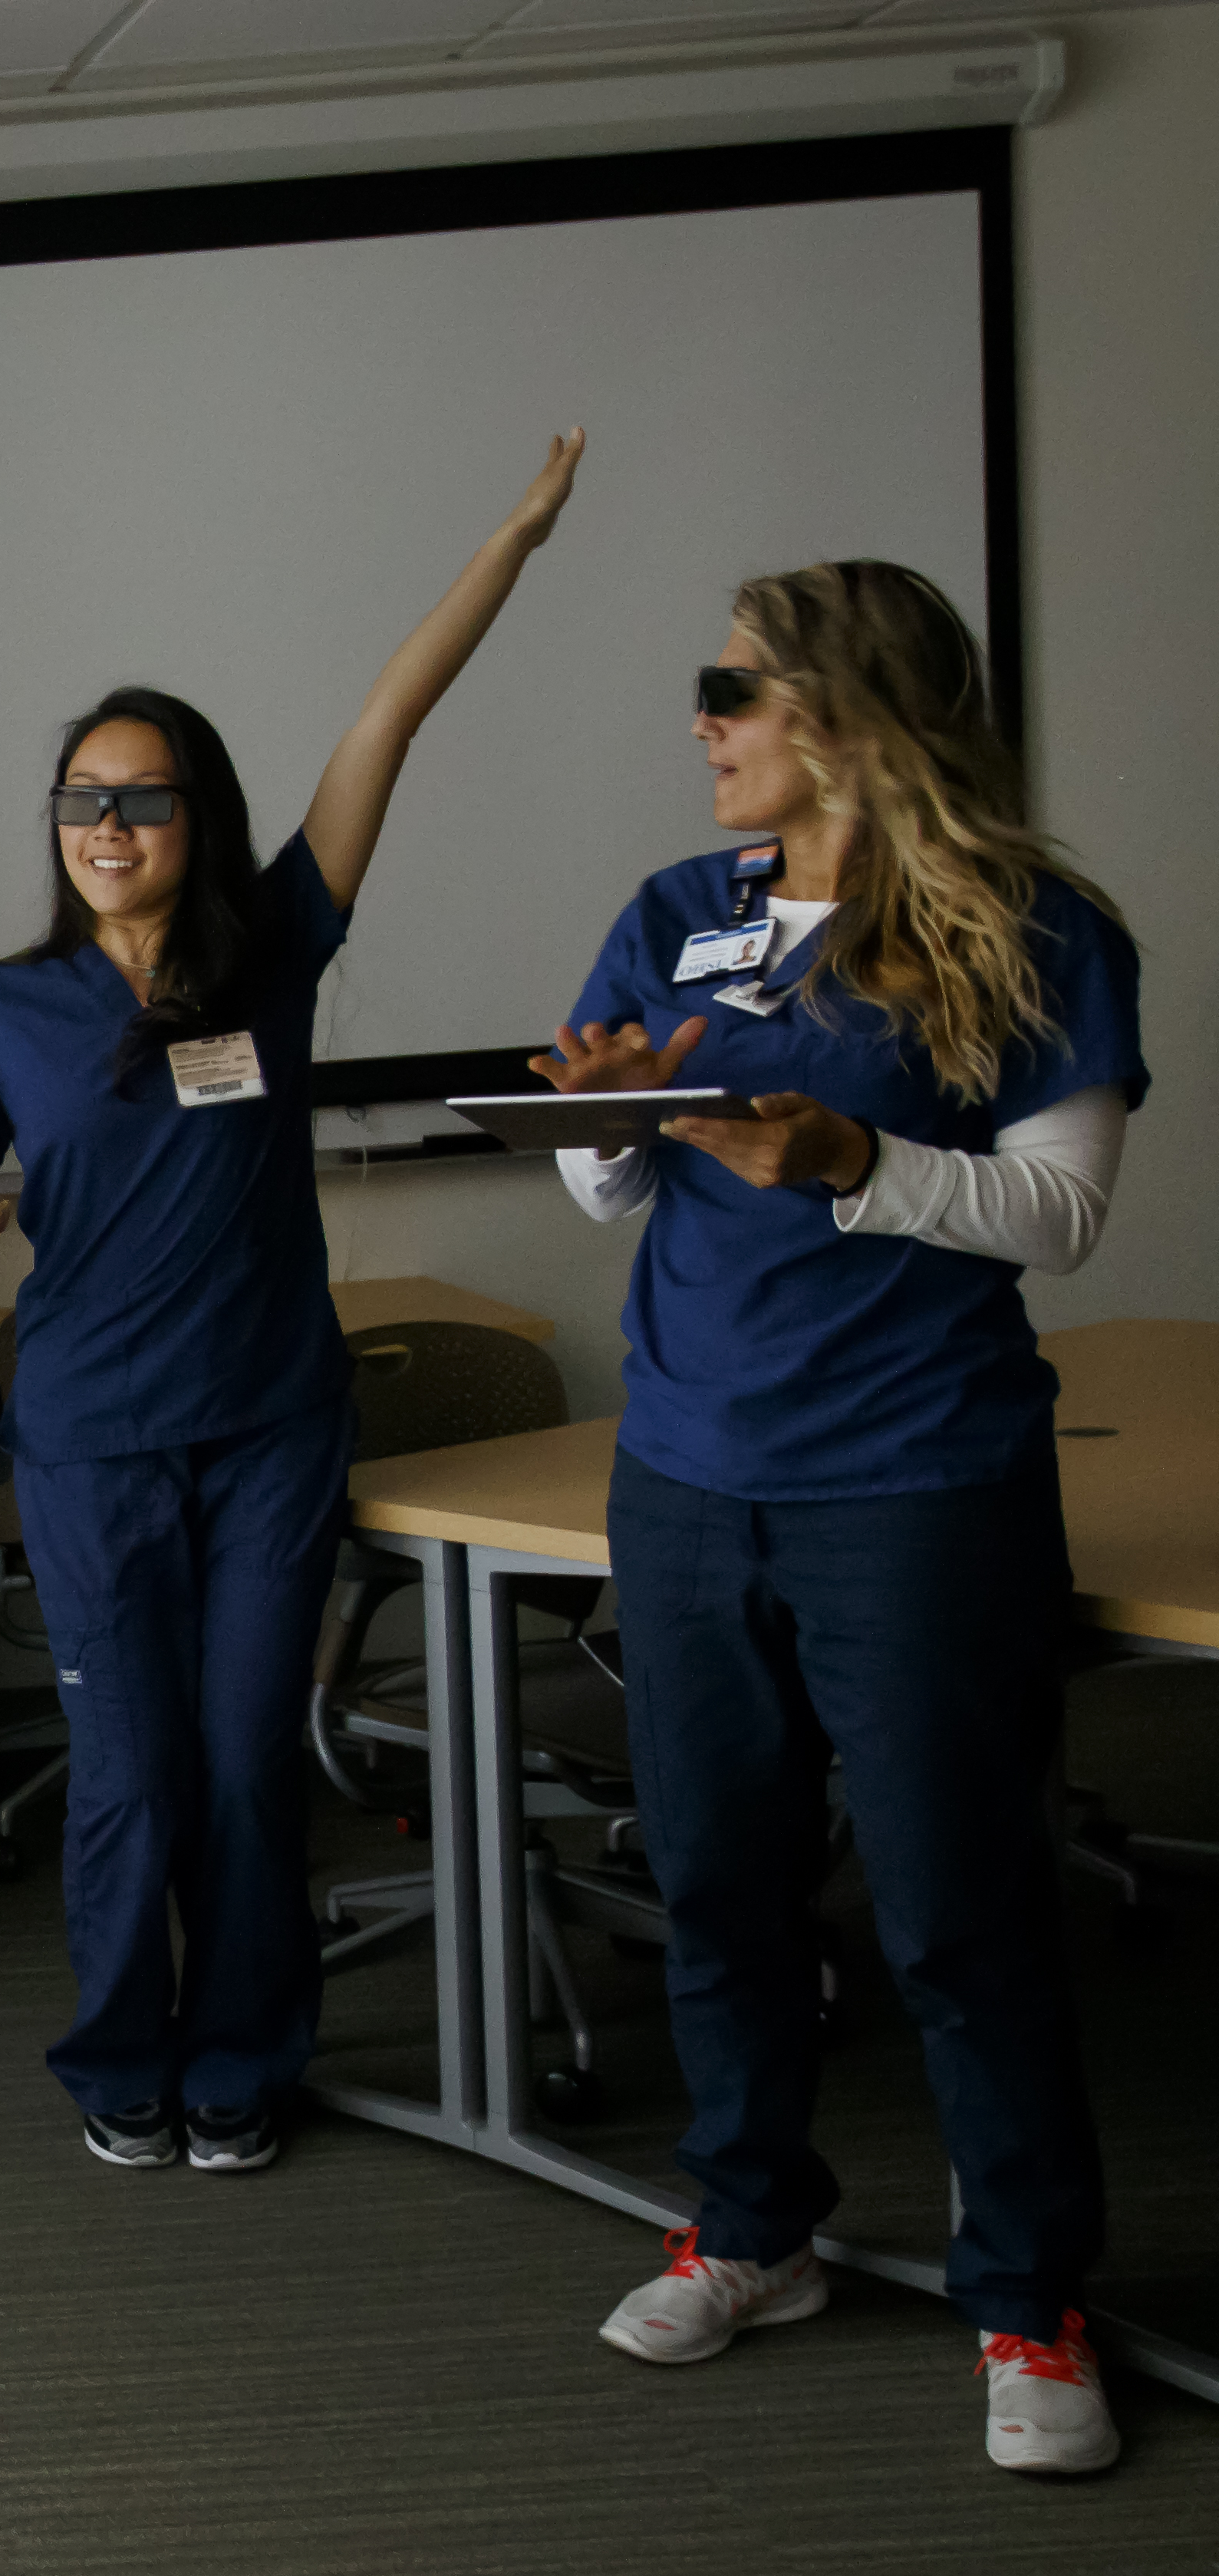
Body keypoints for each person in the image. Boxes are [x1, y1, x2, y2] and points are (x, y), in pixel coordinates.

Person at [0, 433, 588, 2177]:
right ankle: (123, 2051)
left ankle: (245, 2056)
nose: (108, 827)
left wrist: (507, 538)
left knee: (248, 1764)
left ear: (195, 815)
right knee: (130, 1775)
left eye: (141, 798)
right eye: (81, 802)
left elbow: (382, 729)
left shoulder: (270, 950)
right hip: (92, 1440)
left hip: (269, 1427)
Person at [532, 559, 1142, 2477]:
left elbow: (1058, 1215)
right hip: (693, 1474)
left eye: (735, 685)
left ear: (851, 715)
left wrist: (861, 1158)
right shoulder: (673, 910)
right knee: (716, 1884)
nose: (702, 720)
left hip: (916, 1482)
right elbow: (593, 1190)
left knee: (961, 1909)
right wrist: (612, 1114)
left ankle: (1030, 2299)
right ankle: (755, 2225)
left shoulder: (1032, 928)